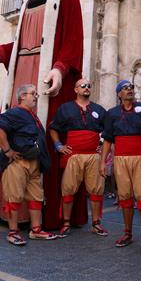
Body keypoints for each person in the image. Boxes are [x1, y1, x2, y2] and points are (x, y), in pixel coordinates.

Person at [0, 0, 87, 229]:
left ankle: (43, 214)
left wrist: (60, 69)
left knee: (42, 135)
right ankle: (13, 209)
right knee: (15, 132)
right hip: (22, 72)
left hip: (48, 78)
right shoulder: (28, 3)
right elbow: (19, 44)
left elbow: (73, 42)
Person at [100, 80, 141, 250]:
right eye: (124, 88)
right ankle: (127, 232)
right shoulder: (112, 113)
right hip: (121, 159)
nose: (129, 90)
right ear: (119, 94)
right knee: (124, 195)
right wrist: (103, 162)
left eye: (130, 87)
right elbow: (108, 139)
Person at [49, 79, 107, 237]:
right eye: (83, 85)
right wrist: (58, 146)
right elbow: (53, 128)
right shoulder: (66, 108)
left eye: (89, 85)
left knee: (96, 190)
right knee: (68, 188)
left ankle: (96, 223)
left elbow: (108, 131)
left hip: (94, 156)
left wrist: (102, 144)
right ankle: (66, 223)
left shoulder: (99, 109)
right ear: (75, 89)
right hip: (73, 156)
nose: (86, 88)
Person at [0, 84, 56, 245]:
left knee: (36, 197)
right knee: (14, 197)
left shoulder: (32, 116)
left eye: (36, 94)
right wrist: (7, 151)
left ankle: (36, 230)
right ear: (22, 96)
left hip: (34, 163)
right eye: (33, 93)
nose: (36, 96)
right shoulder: (15, 112)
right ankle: (13, 232)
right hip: (18, 162)